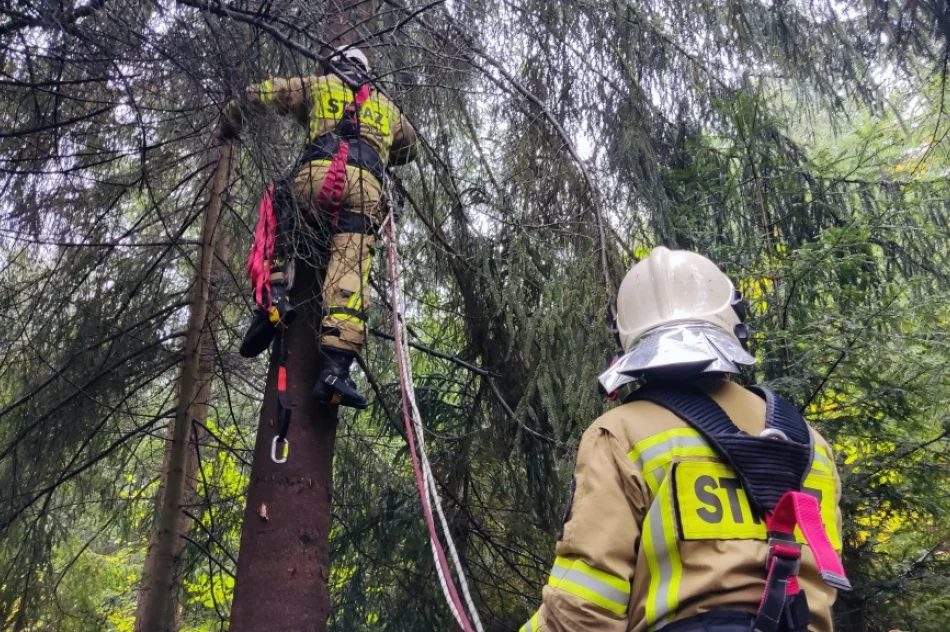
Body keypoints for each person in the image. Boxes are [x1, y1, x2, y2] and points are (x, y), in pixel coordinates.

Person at [520, 246, 849, 632]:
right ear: (734, 320)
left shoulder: (622, 434)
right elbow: (824, 582)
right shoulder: (811, 444)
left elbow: (585, 603)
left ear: (625, 336)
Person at [219, 47, 418, 409]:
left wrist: (232, 117)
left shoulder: (318, 85)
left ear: (335, 65)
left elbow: (265, 93)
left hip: (317, 175)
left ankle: (273, 297)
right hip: (366, 190)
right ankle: (335, 371)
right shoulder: (386, 106)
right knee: (350, 268)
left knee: (279, 212)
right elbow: (411, 146)